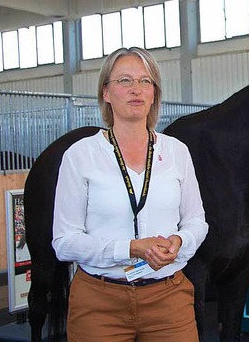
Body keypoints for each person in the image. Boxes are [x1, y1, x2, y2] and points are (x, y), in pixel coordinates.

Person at [52, 47, 209, 341]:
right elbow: (64, 243)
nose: (136, 89)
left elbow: (197, 222)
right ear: (106, 93)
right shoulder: (81, 155)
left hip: (168, 299)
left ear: (154, 94)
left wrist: (179, 241)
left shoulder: (176, 152)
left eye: (145, 81)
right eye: (124, 80)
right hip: (99, 303)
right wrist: (131, 249)